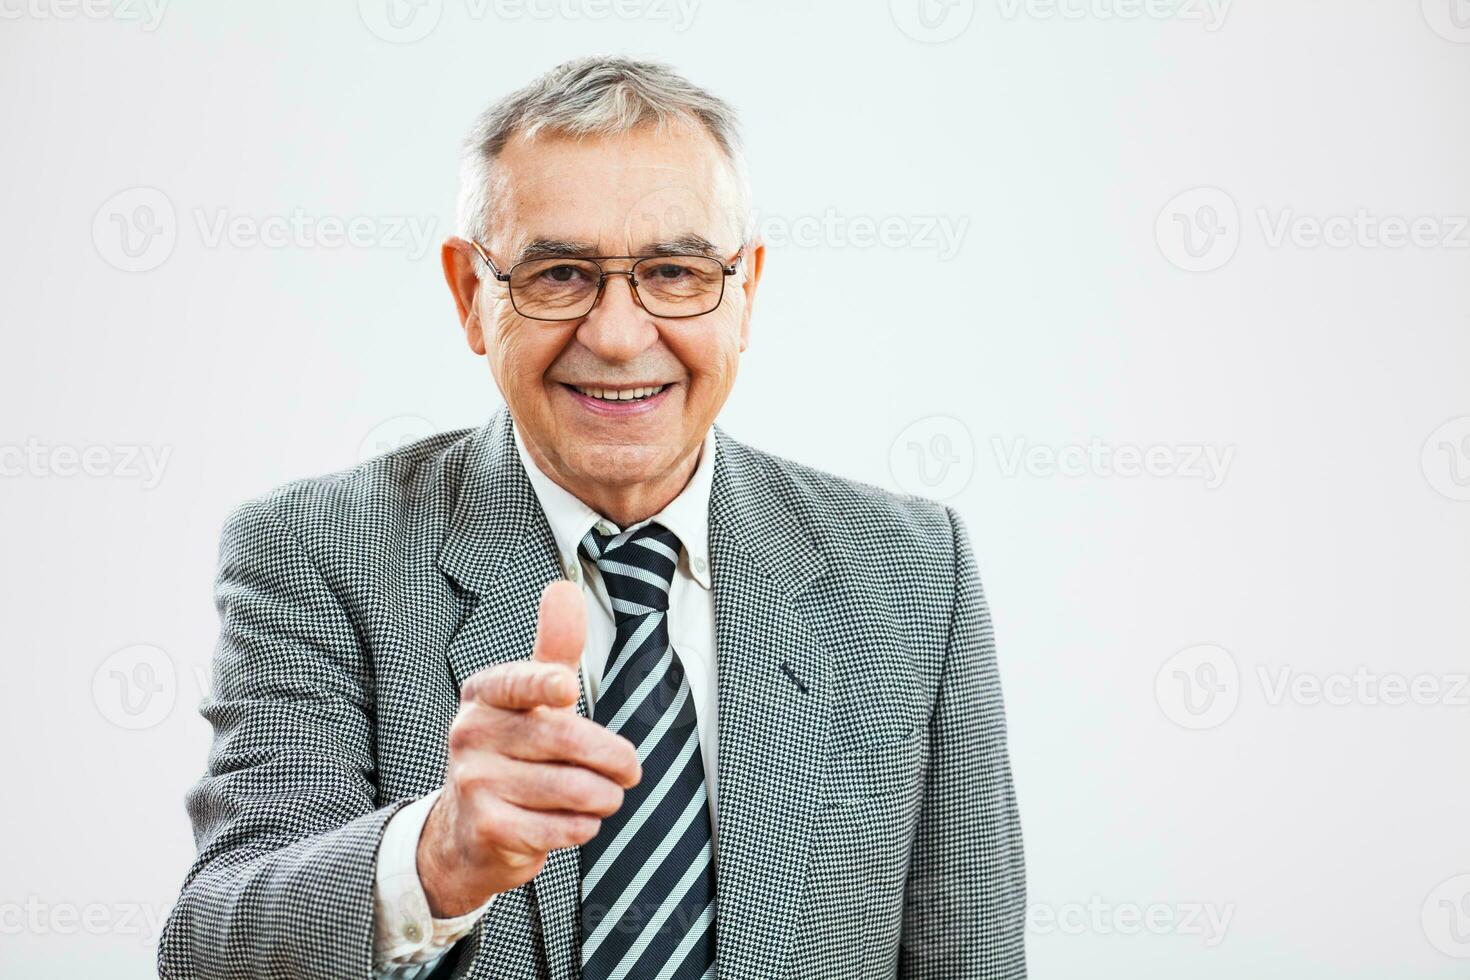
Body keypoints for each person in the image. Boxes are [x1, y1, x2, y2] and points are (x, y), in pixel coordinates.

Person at [158, 55, 1027, 980]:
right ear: (471, 298)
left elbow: (968, 958)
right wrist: (436, 858)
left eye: (676, 271)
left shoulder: (914, 568)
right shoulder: (312, 553)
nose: (617, 335)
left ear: (746, 293)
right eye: (560, 274)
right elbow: (213, 946)